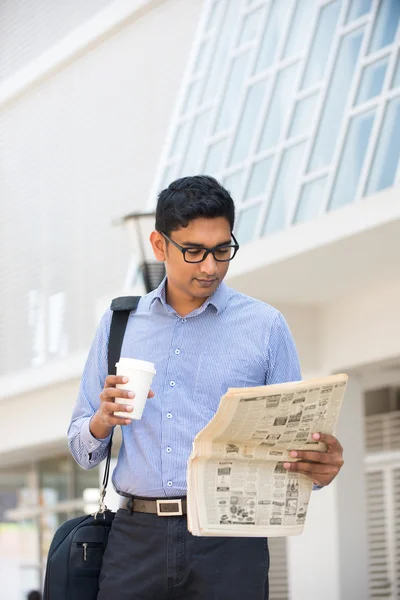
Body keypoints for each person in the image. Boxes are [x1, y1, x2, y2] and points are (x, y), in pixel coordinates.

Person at [68, 175, 344, 600]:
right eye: (193, 251)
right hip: (135, 539)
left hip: (231, 540)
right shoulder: (119, 324)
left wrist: (318, 463)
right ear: (159, 246)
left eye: (221, 250)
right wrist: (102, 422)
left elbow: (293, 441)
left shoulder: (265, 327)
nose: (210, 266)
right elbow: (81, 447)